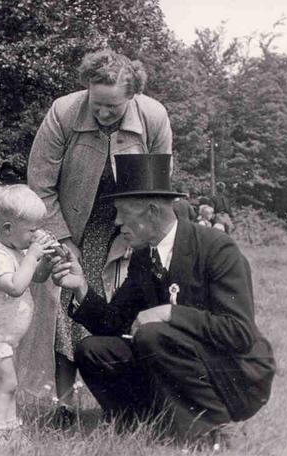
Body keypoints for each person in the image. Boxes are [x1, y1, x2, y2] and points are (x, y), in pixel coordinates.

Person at [51, 154, 275, 442]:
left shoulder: (218, 249)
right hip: (182, 359)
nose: (117, 222)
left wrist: (168, 313)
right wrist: (81, 286)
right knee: (92, 350)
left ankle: (214, 430)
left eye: (122, 213)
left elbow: (240, 334)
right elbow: (115, 322)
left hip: (235, 375)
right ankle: (143, 426)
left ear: (152, 211)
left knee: (152, 334)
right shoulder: (145, 255)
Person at [27, 49, 173, 419]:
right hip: (73, 224)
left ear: (133, 97)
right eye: (97, 104)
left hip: (131, 226)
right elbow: (41, 184)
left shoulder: (154, 117)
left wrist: (143, 237)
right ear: (86, 89)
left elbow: (158, 187)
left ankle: (123, 401)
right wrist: (62, 240)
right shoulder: (63, 112)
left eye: (114, 107)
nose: (103, 113)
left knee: (127, 308)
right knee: (69, 306)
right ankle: (64, 405)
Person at [0, 184, 55, 442]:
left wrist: (46, 260)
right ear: (7, 228)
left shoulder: (18, 250)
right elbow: (16, 286)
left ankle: (11, 430)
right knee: (6, 385)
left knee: (11, 384)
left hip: (7, 338)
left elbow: (36, 277)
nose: (36, 234)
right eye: (31, 230)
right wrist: (33, 256)